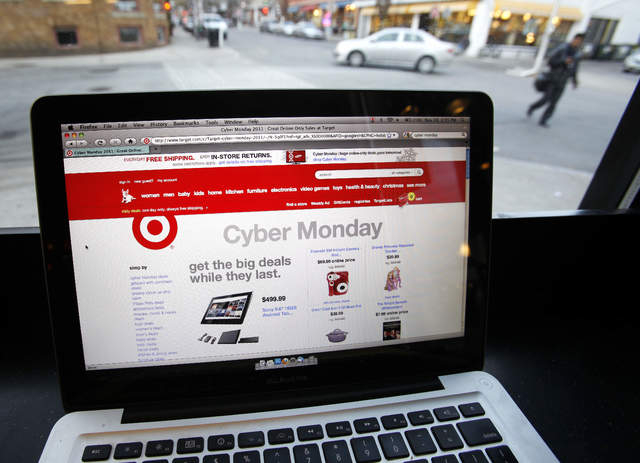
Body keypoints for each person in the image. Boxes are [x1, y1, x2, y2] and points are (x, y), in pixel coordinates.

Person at [527, 33, 585, 127]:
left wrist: (575, 81)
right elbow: (551, 62)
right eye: (577, 40)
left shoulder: (577, 54)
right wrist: (563, 62)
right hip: (553, 78)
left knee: (554, 102)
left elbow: (575, 68)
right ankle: (532, 107)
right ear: (574, 39)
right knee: (545, 99)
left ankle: (544, 120)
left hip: (563, 81)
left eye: (580, 41)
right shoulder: (562, 49)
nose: (578, 42)